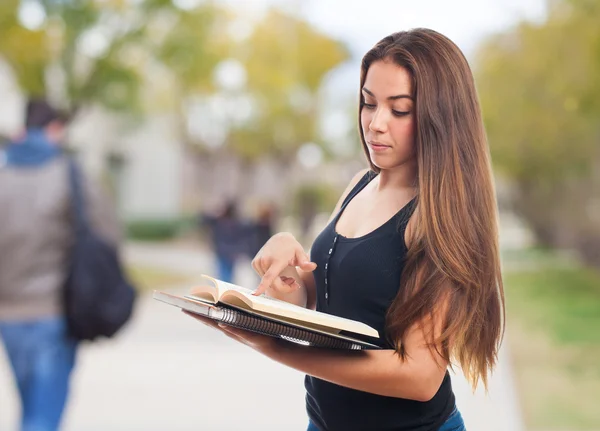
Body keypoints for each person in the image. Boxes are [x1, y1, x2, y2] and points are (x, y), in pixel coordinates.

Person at [186, 28, 505, 431]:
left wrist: (277, 349)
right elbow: (330, 303)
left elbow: (420, 377)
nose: (376, 123)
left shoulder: (439, 214)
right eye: (368, 104)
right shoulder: (359, 184)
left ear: (440, 115)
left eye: (399, 109)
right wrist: (288, 272)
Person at [0, 98, 121, 431]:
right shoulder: (69, 175)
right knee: (43, 417)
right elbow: (107, 233)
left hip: (7, 314)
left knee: (29, 409)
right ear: (55, 129)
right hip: (53, 310)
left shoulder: (3, 173)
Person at [199, 200, 248, 283]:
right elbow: (204, 220)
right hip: (226, 252)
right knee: (225, 273)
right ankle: (225, 289)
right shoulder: (234, 222)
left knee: (224, 273)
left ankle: (223, 290)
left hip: (225, 251)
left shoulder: (221, 221)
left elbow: (203, 220)